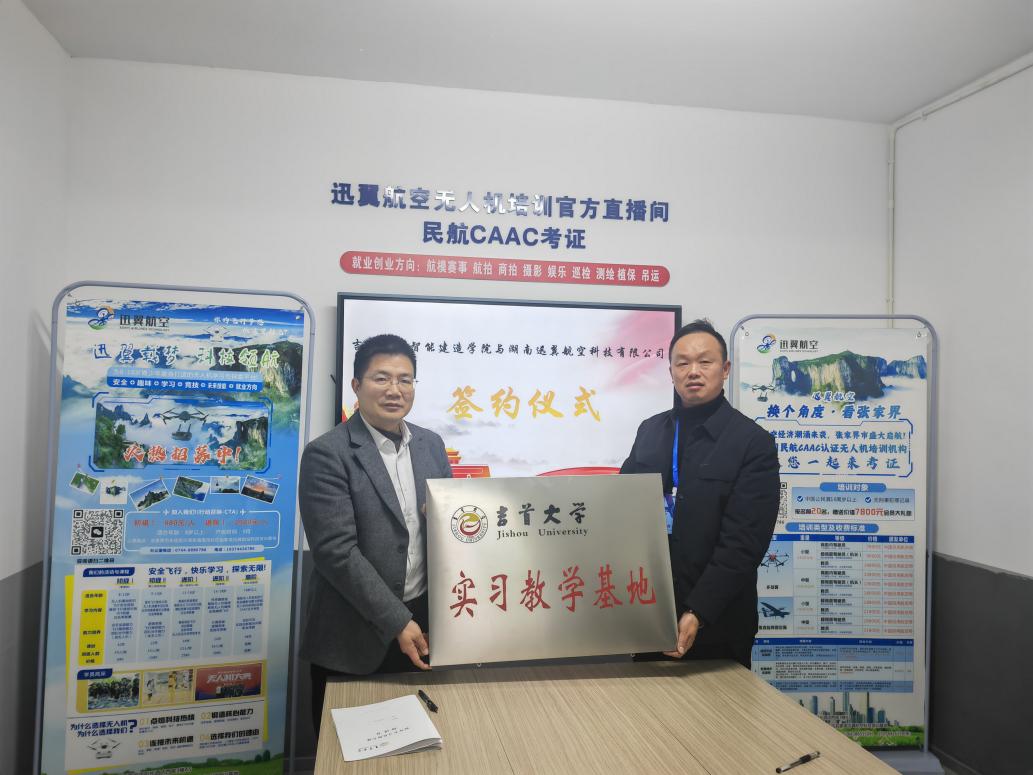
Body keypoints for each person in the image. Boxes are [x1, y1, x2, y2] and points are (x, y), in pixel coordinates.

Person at [298, 334, 452, 731]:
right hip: (353, 637)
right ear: (356, 385)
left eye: (405, 379)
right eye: (381, 378)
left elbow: (449, 527)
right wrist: (397, 620)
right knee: (349, 749)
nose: (394, 390)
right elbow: (336, 551)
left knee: (423, 741)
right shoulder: (327, 453)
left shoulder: (431, 445)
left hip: (423, 628)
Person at [620, 319, 780, 667]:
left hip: (718, 624)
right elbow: (621, 509)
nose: (693, 371)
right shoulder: (650, 431)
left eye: (705, 361)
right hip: (648, 614)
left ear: (725, 369)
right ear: (671, 372)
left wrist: (698, 612)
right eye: (682, 363)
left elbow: (744, 543)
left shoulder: (753, 443)